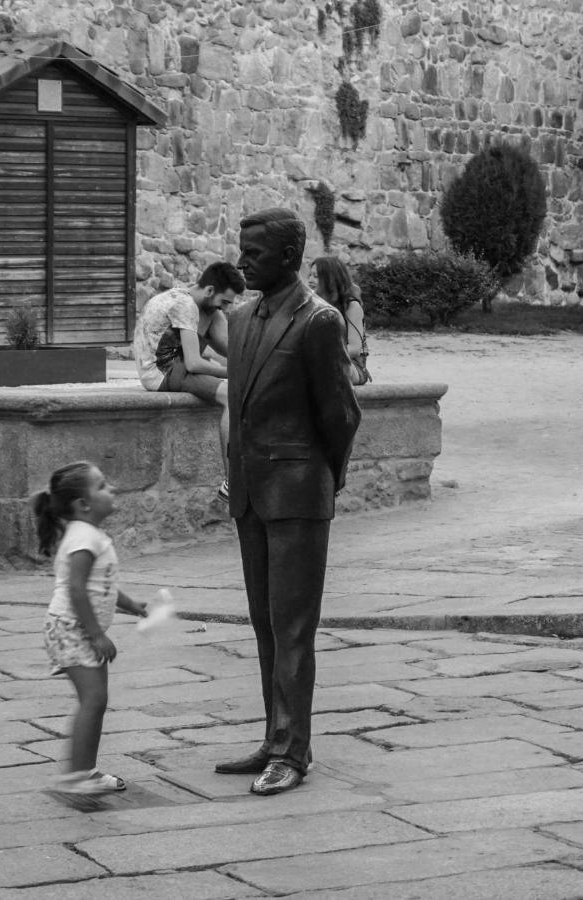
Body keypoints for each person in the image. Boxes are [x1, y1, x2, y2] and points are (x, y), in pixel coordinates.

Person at [216, 208, 361, 796]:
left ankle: (293, 752)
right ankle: (274, 736)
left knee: (293, 625)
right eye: (242, 248)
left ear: (286, 257)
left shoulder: (318, 321)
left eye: (253, 251)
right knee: (264, 624)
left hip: (299, 491)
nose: (242, 259)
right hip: (252, 490)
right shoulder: (242, 318)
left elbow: (342, 415)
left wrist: (324, 479)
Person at [32, 460, 148, 808]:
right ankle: (75, 778)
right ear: (83, 504)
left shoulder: (91, 535)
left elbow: (103, 586)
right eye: (102, 486)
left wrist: (130, 604)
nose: (110, 490)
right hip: (70, 629)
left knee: (96, 701)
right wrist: (97, 634)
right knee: (93, 701)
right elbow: (77, 590)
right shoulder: (83, 538)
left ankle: (86, 771)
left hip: (76, 629)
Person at [133, 262, 246, 502]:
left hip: (176, 364)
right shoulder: (185, 305)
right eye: (224, 301)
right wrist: (234, 372)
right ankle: (232, 483)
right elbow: (194, 364)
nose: (226, 308)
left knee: (218, 326)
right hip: (161, 372)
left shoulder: (202, 306)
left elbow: (229, 351)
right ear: (209, 290)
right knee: (231, 396)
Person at [308, 256, 373, 385]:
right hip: (320, 363)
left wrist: (323, 357)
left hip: (351, 365)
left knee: (329, 370)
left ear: (331, 280)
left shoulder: (351, 306)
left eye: (316, 276)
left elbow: (355, 348)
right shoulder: (312, 304)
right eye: (309, 275)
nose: (310, 280)